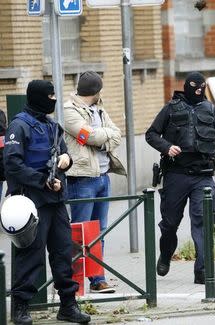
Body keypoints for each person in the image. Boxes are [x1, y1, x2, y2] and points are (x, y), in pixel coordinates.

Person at [4, 80, 90, 324]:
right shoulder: (19, 126)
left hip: (56, 201)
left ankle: (68, 306)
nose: (53, 99)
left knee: (64, 254)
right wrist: (43, 181)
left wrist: (66, 162)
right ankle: (20, 308)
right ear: (38, 97)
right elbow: (12, 164)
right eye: (50, 95)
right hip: (31, 201)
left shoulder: (53, 127)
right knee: (30, 256)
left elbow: (64, 157)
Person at [146, 71, 215, 284]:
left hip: (203, 176)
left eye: (201, 87)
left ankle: (202, 271)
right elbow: (151, 134)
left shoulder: (211, 110)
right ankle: (165, 255)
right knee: (169, 224)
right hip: (176, 175)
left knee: (202, 221)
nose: (198, 90)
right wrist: (167, 147)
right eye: (194, 86)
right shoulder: (171, 108)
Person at [64, 71, 126, 294]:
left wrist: (101, 138)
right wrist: (103, 137)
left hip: (103, 177)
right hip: (82, 179)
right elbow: (87, 136)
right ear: (96, 90)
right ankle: (75, 282)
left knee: (99, 232)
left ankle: (97, 279)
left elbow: (117, 134)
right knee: (80, 232)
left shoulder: (99, 108)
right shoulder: (68, 110)